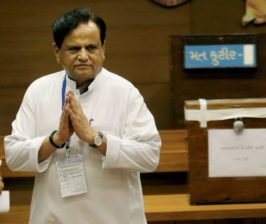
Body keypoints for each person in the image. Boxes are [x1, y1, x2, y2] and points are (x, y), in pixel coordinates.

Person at [4, 7, 161, 224]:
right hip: (53, 218)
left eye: (92, 48)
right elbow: (13, 155)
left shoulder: (124, 91)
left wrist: (95, 138)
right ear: (56, 51)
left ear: (104, 49)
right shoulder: (38, 90)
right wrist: (55, 140)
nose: (84, 56)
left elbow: (150, 156)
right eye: (74, 49)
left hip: (116, 218)